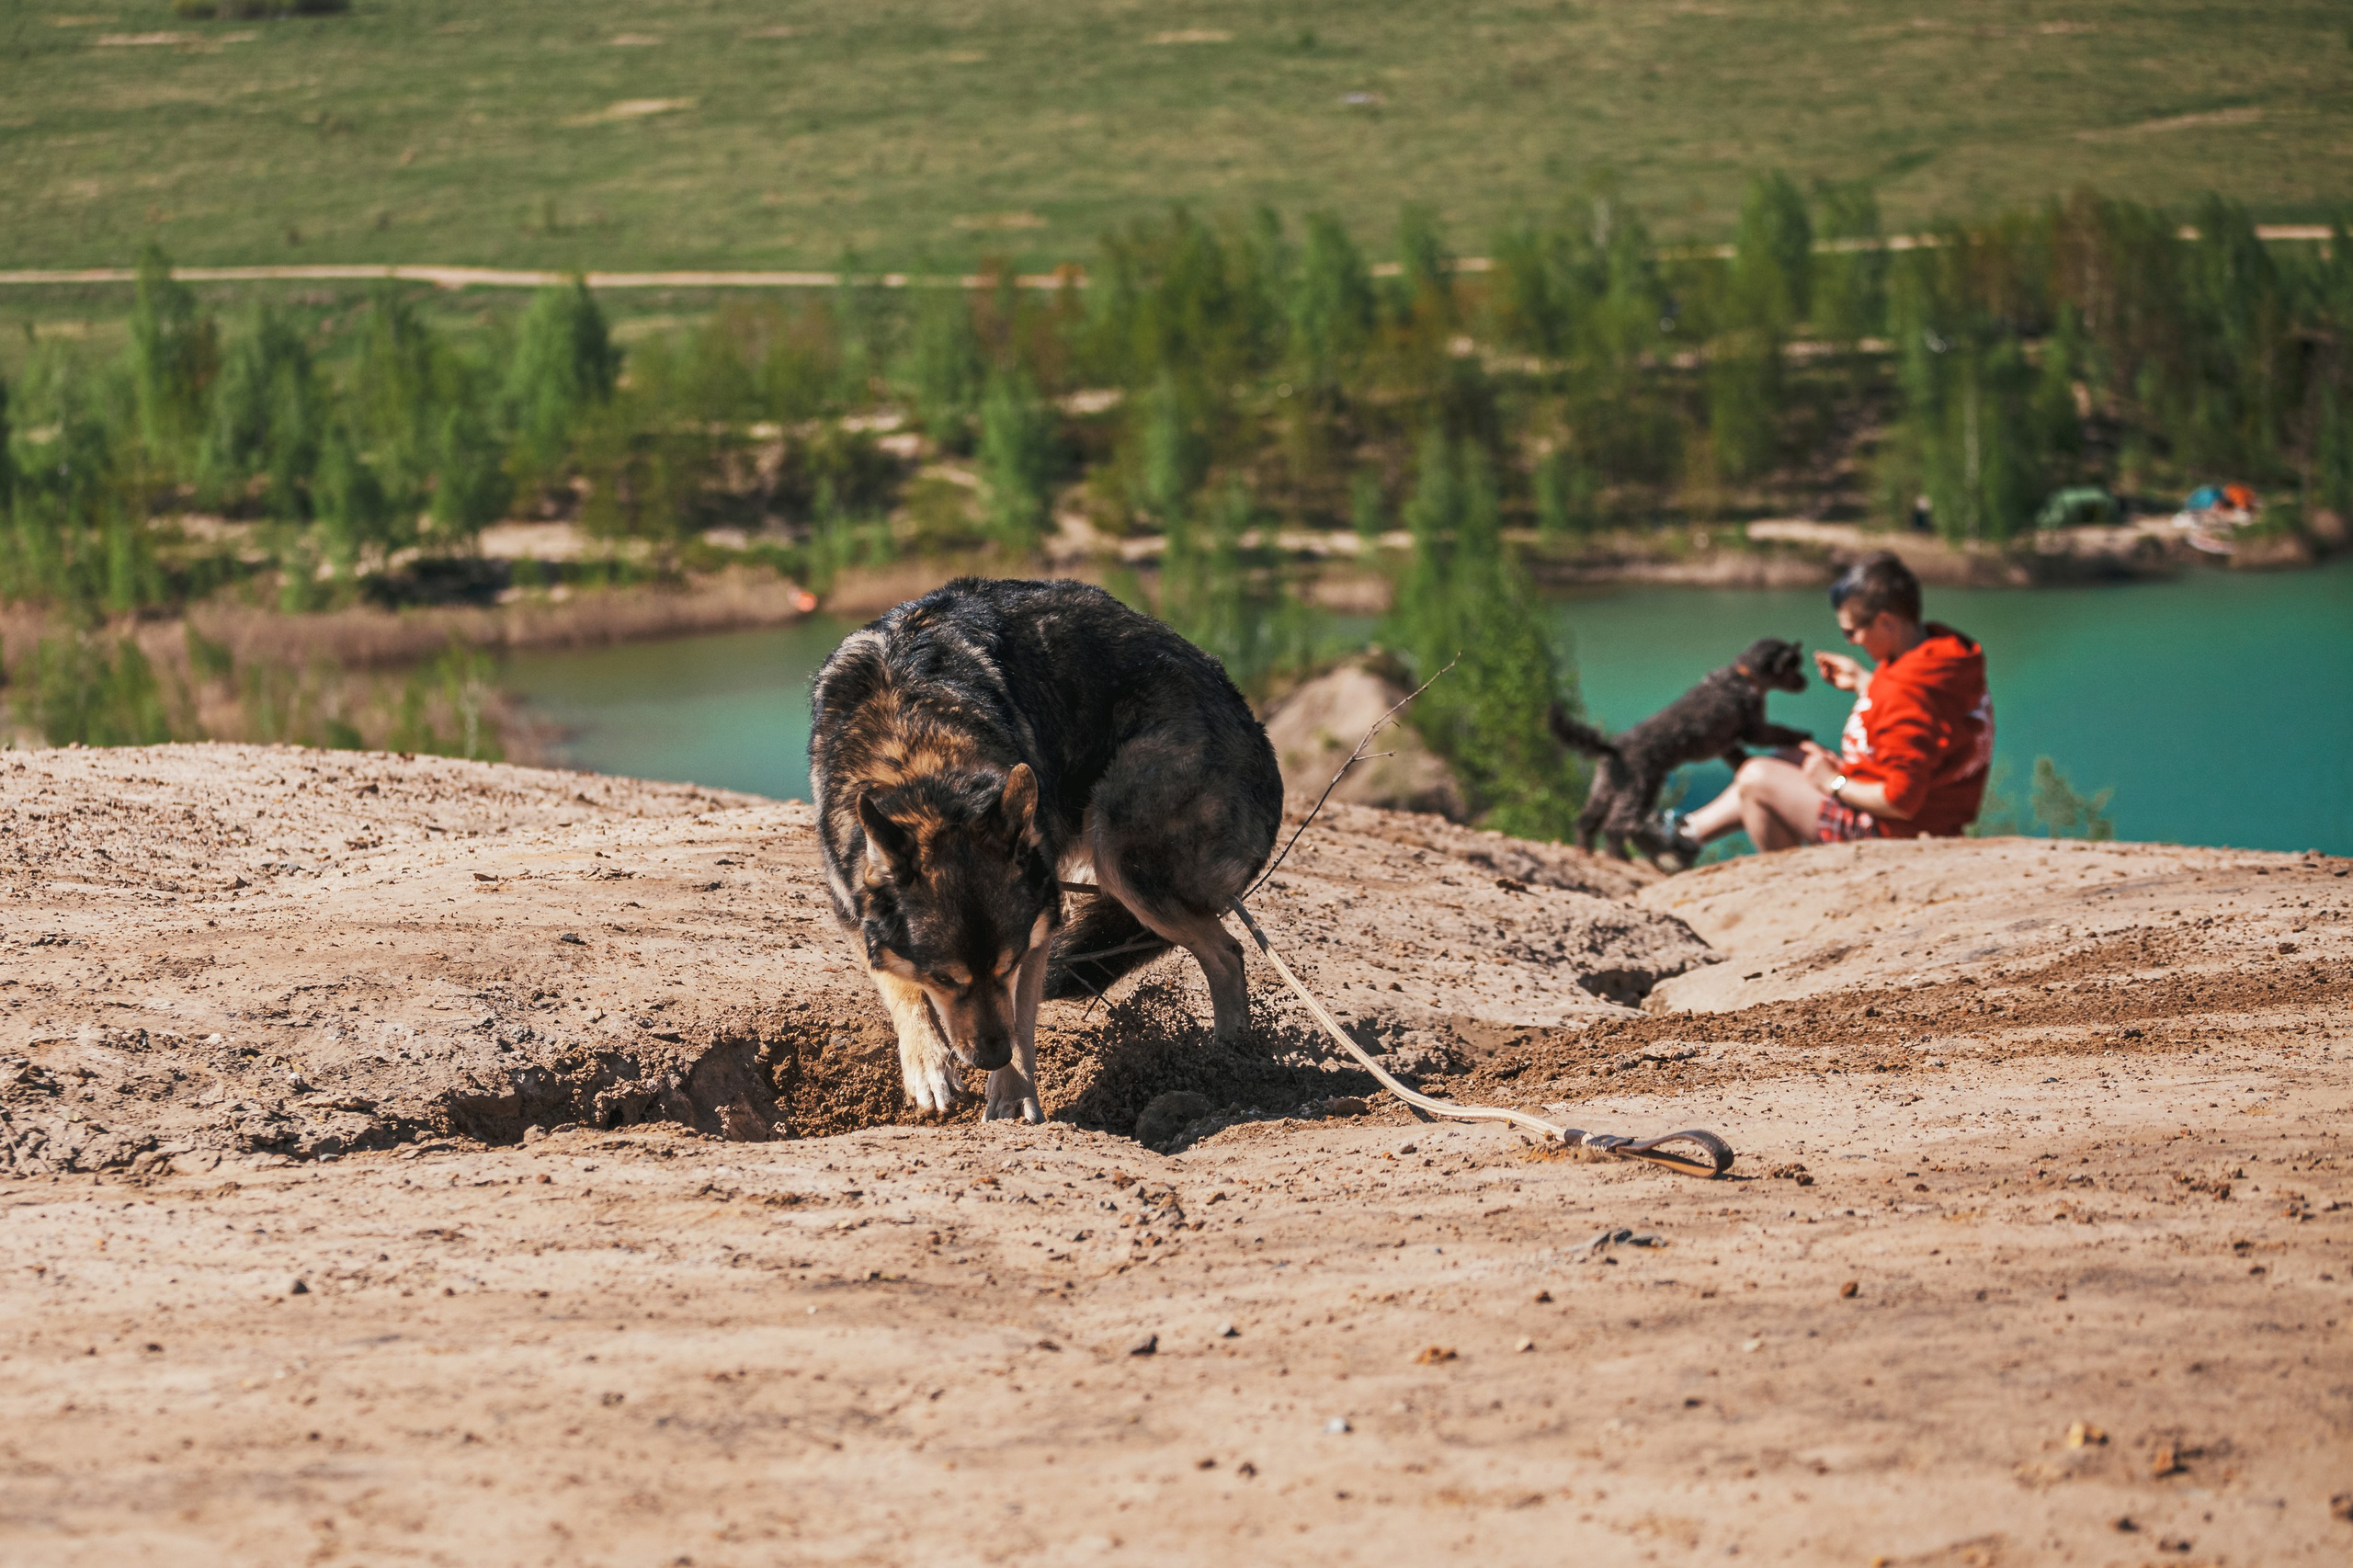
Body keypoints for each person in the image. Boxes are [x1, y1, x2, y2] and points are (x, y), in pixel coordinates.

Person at [1674, 551, 1992, 854]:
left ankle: (1768, 880)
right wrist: (1865, 682)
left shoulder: (1903, 691)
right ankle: (1686, 835)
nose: (1851, 642)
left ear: (1886, 622)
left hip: (1892, 831)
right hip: (1934, 811)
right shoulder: (1944, 654)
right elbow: (1926, 713)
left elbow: (1900, 802)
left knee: (1755, 778)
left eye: (1851, 631)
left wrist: (1833, 781)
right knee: (1787, 757)